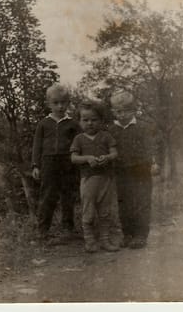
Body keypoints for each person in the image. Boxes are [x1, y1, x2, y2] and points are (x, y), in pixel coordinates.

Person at [108, 91, 159, 249]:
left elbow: (152, 146)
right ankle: (128, 234)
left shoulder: (143, 127)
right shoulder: (112, 130)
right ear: (113, 112)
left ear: (133, 110)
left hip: (141, 171)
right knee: (124, 204)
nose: (121, 115)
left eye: (125, 111)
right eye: (117, 111)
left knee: (141, 202)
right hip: (121, 172)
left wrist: (154, 163)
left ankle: (140, 235)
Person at [70, 100, 121, 253]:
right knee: (88, 211)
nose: (90, 123)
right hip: (88, 180)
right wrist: (87, 158)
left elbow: (115, 153)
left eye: (94, 120)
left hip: (106, 179)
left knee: (105, 211)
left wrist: (107, 157)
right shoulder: (79, 139)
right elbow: (73, 158)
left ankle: (105, 240)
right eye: (85, 120)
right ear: (79, 121)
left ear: (101, 120)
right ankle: (90, 241)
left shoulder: (105, 136)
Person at [32, 84, 80, 240]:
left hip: (68, 163)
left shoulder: (72, 123)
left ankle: (68, 229)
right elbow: (37, 146)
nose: (60, 106)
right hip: (48, 163)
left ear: (68, 103)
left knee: (68, 195)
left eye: (63, 102)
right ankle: (42, 230)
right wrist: (35, 165)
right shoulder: (43, 124)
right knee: (47, 196)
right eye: (56, 103)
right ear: (49, 104)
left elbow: (79, 143)